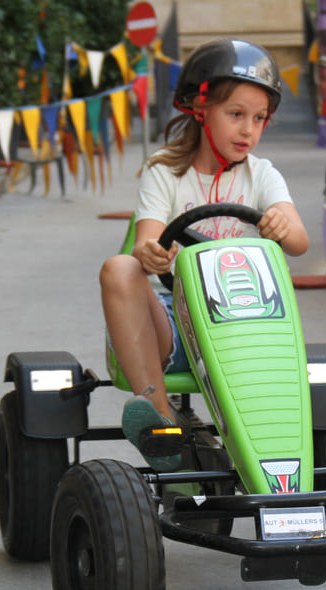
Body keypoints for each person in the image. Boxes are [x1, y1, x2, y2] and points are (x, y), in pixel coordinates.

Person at [98, 38, 308, 469]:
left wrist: (283, 225)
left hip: (251, 326)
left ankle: (308, 476)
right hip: (178, 324)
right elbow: (149, 238)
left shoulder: (262, 176)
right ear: (200, 109)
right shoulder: (166, 172)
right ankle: (158, 418)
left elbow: (299, 242)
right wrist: (150, 252)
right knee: (120, 268)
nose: (248, 129)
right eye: (235, 115)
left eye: (259, 118)